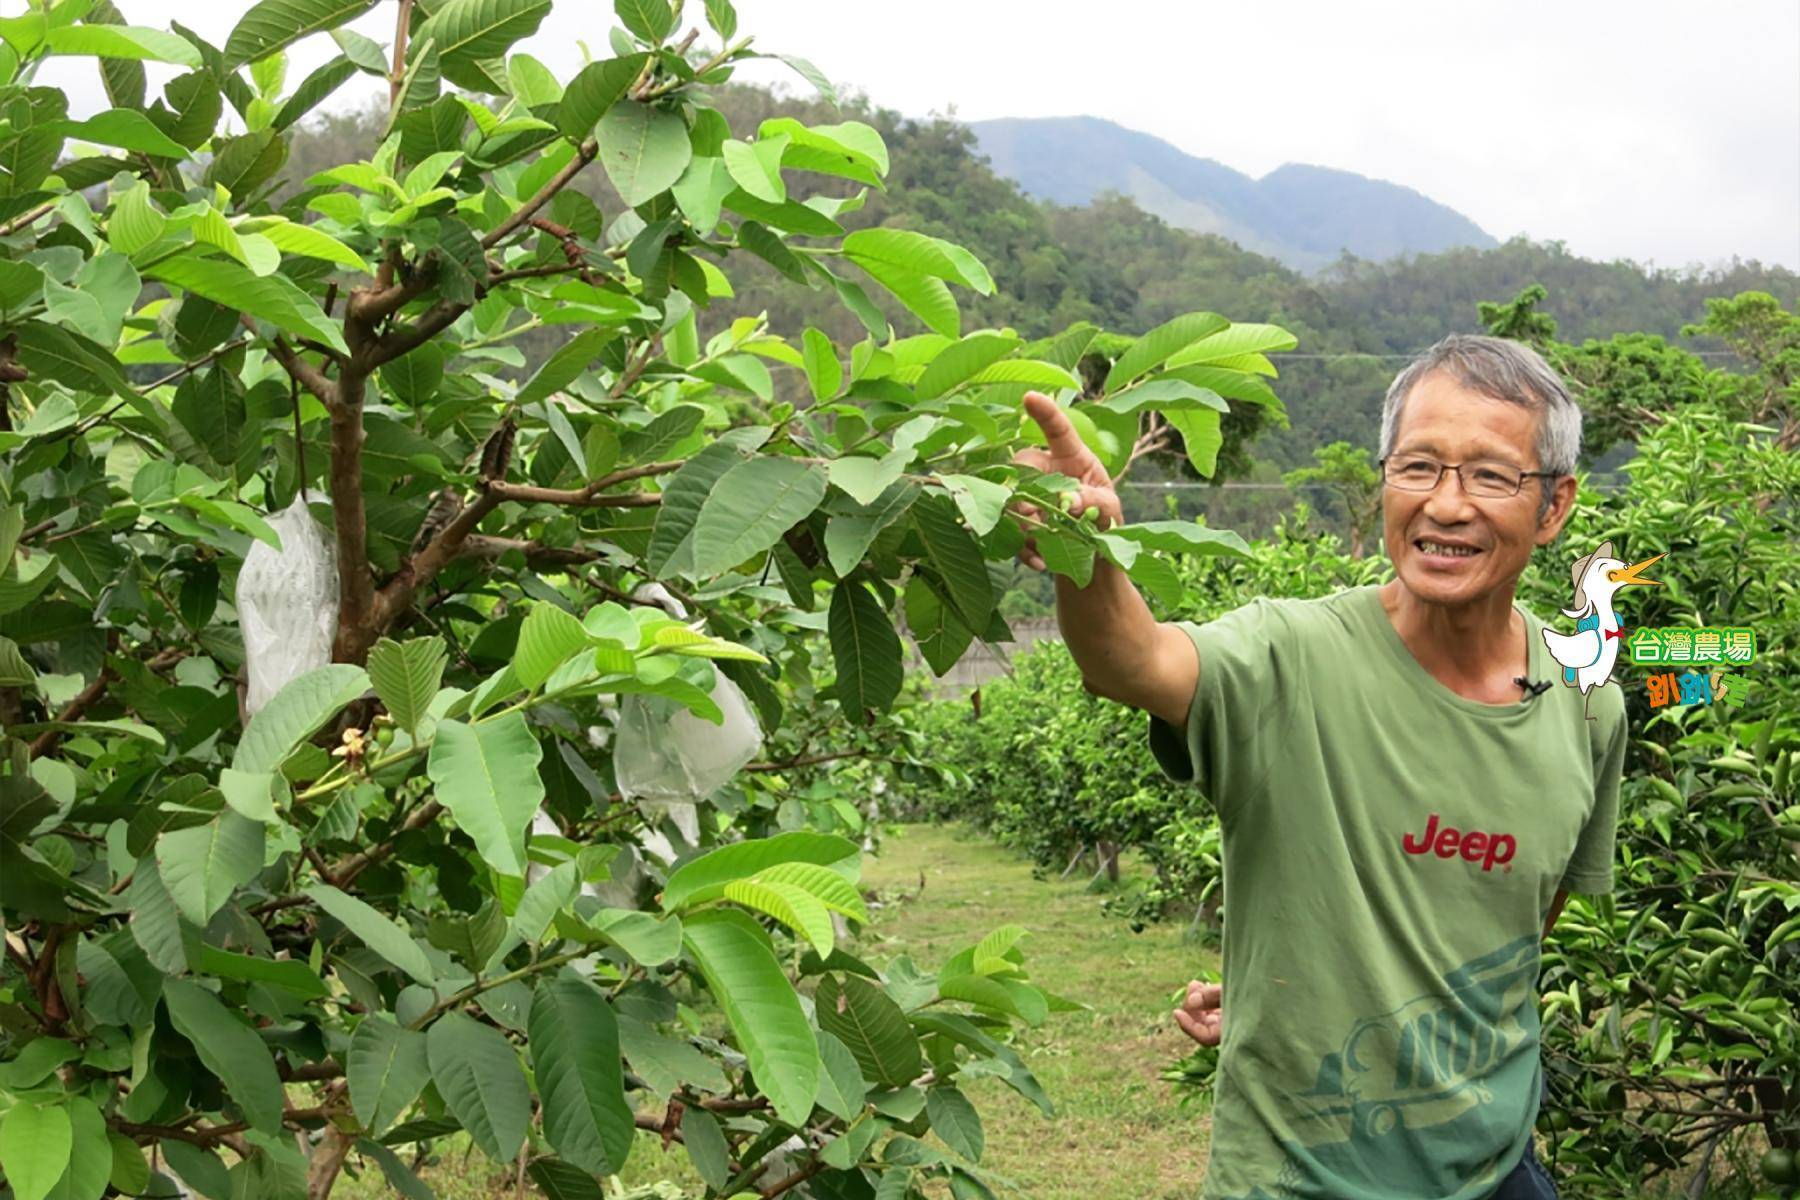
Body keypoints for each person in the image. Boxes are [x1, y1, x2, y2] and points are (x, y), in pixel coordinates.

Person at [1011, 334, 1628, 1200]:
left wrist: (1324, 986)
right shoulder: (1289, 655)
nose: (1446, 505)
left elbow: (1518, 922)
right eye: (1417, 466)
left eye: (1490, 475)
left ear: (1554, 505)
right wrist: (1088, 552)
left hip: (1498, 1172)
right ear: (1384, 480)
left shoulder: (1586, 700)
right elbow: (1134, 662)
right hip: (1298, 1180)